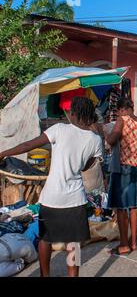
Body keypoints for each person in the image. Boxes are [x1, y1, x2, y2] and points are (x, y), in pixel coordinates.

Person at [0, 97, 102, 277]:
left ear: (74, 113)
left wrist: (3, 153)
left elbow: (28, 145)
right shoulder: (95, 139)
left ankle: (44, 275)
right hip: (75, 199)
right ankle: (73, 275)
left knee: (45, 239)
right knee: (74, 243)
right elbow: (87, 166)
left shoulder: (59, 129)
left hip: (52, 197)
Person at [104, 98, 137, 255]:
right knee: (132, 207)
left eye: (119, 111)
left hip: (123, 168)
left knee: (121, 207)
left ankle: (124, 245)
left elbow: (111, 140)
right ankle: (133, 243)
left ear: (121, 110)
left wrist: (105, 132)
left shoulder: (122, 120)